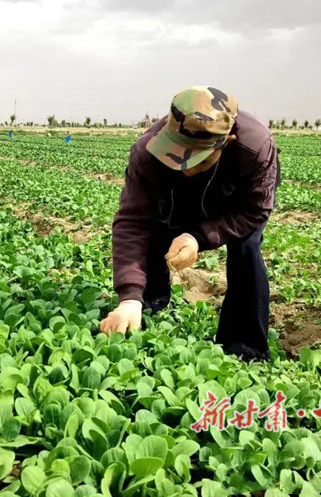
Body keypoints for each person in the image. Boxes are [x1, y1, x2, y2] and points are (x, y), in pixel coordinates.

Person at [100, 86, 280, 362]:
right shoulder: (147, 153)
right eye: (177, 153)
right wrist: (129, 297)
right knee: (160, 222)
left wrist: (199, 237)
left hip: (233, 197)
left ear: (227, 142)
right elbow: (133, 222)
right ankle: (147, 302)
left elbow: (254, 211)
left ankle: (244, 345)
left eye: (196, 158)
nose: (185, 167)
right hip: (177, 197)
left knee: (247, 248)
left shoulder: (255, 147)